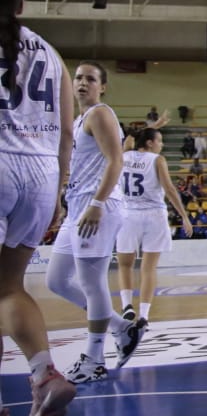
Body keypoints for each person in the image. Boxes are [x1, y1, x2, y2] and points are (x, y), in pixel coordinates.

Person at [0, 0, 78, 416]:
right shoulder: (50, 53)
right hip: (41, 173)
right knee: (9, 286)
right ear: (21, 6)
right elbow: (67, 131)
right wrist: (60, 190)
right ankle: (44, 372)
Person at [44, 61, 144, 383]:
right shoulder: (79, 119)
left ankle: (94, 359)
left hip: (98, 206)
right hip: (78, 208)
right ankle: (121, 327)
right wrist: (62, 201)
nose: (82, 83)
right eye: (78, 78)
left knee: (92, 283)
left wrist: (98, 203)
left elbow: (116, 160)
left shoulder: (100, 114)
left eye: (90, 79)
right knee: (57, 280)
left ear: (102, 87)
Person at [114, 128, 193, 325]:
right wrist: (184, 215)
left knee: (124, 264)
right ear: (150, 143)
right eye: (159, 140)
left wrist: (154, 126)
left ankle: (127, 305)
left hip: (128, 214)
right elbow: (170, 189)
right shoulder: (157, 160)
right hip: (154, 215)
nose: (162, 144)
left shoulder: (124, 155)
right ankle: (144, 315)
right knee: (149, 268)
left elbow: (130, 138)